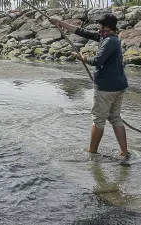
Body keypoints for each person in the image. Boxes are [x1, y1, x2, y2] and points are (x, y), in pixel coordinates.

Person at [49, 13, 129, 158]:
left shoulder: (109, 41)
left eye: (100, 25)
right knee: (115, 118)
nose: (98, 28)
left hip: (106, 88)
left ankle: (92, 151)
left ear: (107, 27)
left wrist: (83, 58)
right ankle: (124, 151)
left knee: (98, 119)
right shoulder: (107, 37)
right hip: (118, 85)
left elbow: (98, 61)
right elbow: (81, 32)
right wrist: (60, 23)